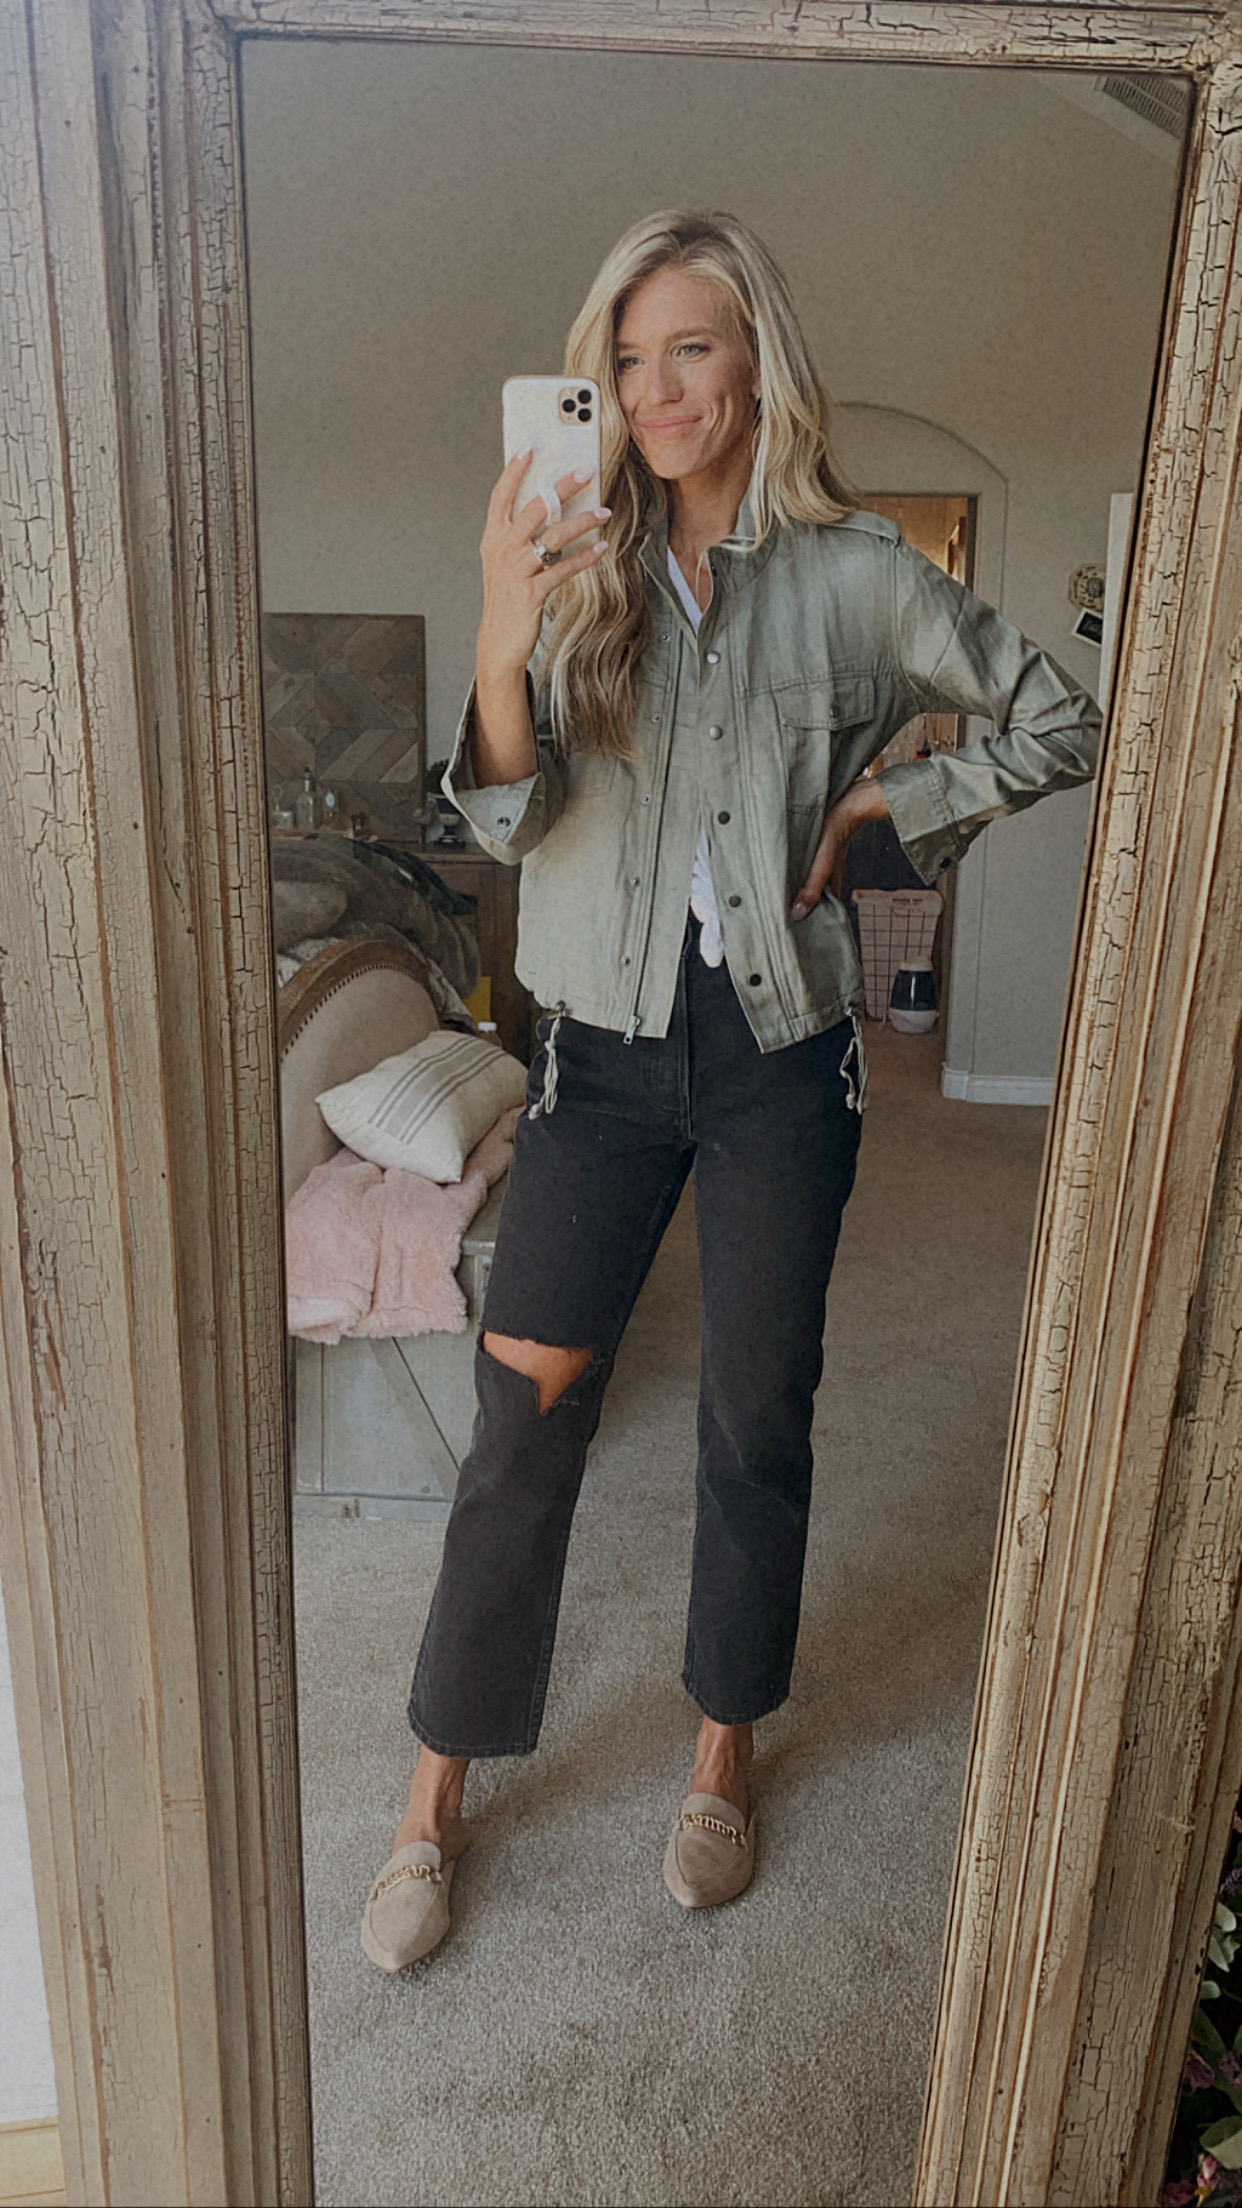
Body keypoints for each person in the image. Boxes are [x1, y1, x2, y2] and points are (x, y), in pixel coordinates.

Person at [360, 210, 1101, 1971]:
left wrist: (893, 806)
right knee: (521, 1419)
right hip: (600, 1063)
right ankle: (429, 1800)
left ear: (754, 357)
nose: (654, 390)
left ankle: (718, 1756)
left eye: (687, 347)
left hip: (782, 1060)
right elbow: (508, 820)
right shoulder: (573, 559)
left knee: (753, 1418)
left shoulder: (856, 576)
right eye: (624, 359)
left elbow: (1057, 717)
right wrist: (502, 623)